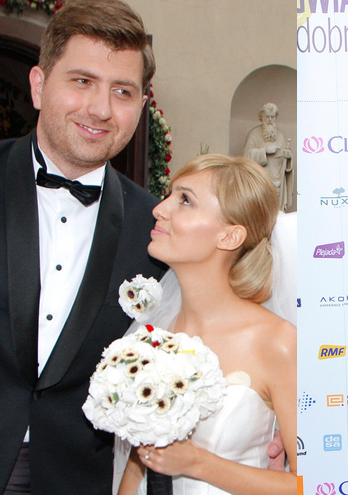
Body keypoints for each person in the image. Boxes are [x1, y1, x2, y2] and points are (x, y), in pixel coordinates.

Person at [0, 1, 166, 493]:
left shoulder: (159, 228)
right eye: (82, 81)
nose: (101, 109)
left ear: (140, 106)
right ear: (38, 85)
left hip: (82, 479)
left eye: (122, 91)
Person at [115, 154, 297, 495]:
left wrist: (198, 463)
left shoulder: (276, 341)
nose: (160, 209)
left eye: (185, 200)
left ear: (230, 236)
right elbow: (136, 467)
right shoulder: (149, 336)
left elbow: (311, 484)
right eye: (169, 195)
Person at [244, 103, 293, 212]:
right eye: (267, 117)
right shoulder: (254, 134)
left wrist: (288, 158)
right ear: (262, 118)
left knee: (276, 211)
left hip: (277, 180)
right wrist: (265, 151)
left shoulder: (280, 136)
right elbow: (247, 155)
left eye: (272, 117)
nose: (270, 120)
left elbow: (283, 157)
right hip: (260, 179)